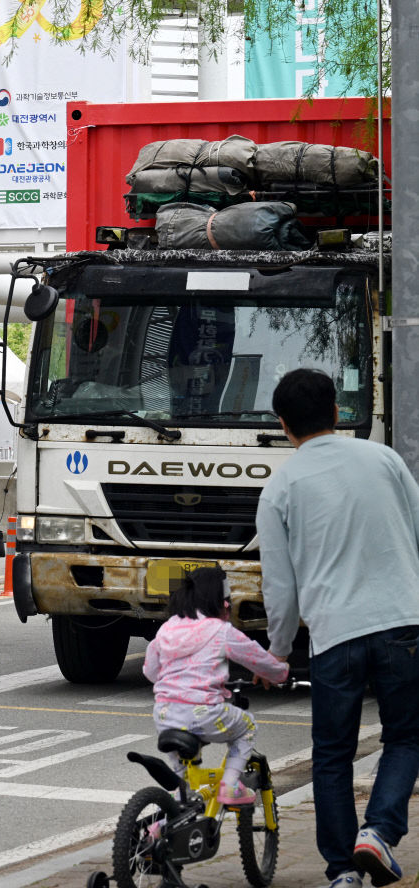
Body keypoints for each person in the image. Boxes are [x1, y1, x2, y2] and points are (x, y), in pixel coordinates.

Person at [256, 368, 419, 888]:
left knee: (332, 755)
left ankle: (341, 872)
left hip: (334, 636)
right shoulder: (385, 459)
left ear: (283, 424)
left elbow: (279, 587)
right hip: (402, 623)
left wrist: (277, 652)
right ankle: (379, 831)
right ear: (337, 412)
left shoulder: (279, 486)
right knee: (407, 738)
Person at [143, 566, 289, 807]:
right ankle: (230, 784)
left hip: (164, 716)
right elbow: (258, 659)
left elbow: (151, 672)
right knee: (248, 726)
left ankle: (161, 826)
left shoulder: (167, 627)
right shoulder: (220, 631)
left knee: (182, 788)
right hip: (203, 713)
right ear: (219, 602)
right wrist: (280, 672)